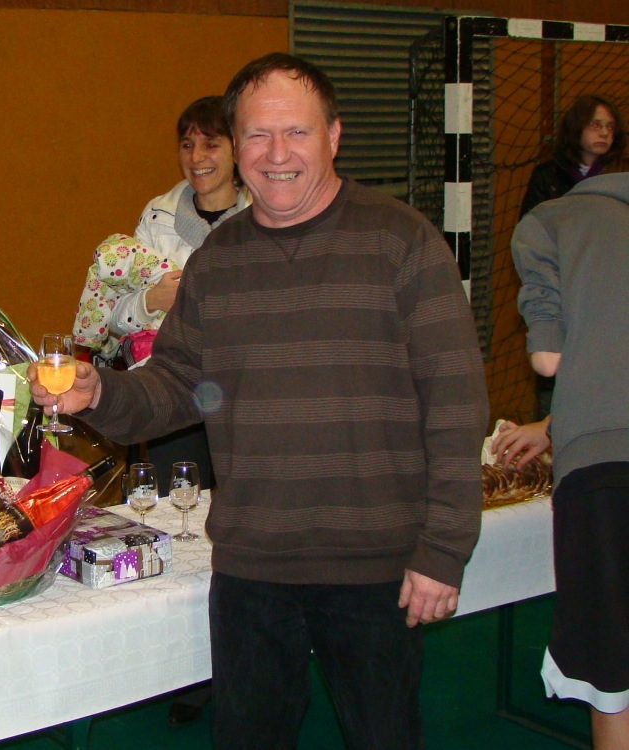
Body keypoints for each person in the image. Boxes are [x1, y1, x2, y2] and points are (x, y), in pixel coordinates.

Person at [35, 52, 489, 749]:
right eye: (257, 135)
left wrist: (443, 548)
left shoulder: (401, 242)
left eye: (297, 133)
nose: (277, 155)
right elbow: (179, 384)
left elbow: (456, 402)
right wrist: (102, 393)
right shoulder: (216, 263)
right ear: (237, 144)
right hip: (254, 573)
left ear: (334, 137)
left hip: (375, 569)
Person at [73, 96, 250, 496]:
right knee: (177, 505)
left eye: (211, 144)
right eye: (187, 145)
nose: (197, 157)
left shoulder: (263, 218)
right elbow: (112, 319)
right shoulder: (156, 218)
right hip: (174, 383)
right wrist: (153, 300)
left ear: (237, 149)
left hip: (243, 390)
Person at [511, 172, 629, 749]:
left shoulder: (545, 224)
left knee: (612, 668)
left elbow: (549, 360)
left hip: (605, 474)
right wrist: (553, 427)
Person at [519, 95, 625, 419]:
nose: (604, 133)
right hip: (563, 303)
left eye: (609, 126)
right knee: (554, 384)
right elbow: (532, 241)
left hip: (609, 305)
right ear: (577, 128)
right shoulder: (548, 177)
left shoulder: (622, 177)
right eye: (595, 124)